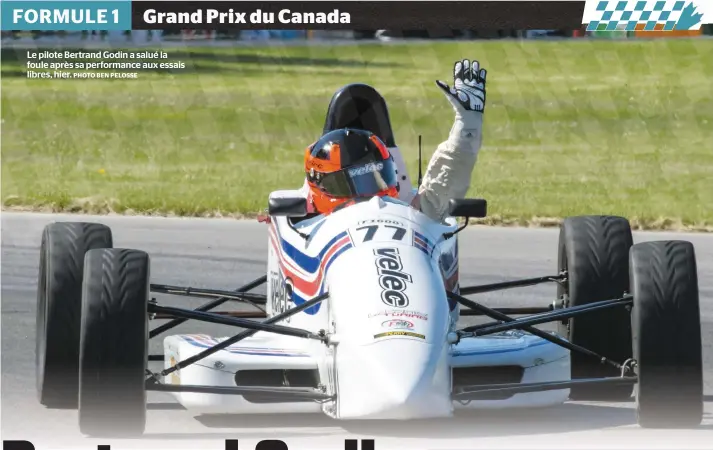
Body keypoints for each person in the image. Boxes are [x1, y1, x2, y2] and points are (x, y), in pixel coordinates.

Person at [301, 59, 487, 223]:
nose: (369, 196)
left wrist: (468, 122)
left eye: (374, 180)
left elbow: (445, 183)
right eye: (348, 185)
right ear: (320, 183)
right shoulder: (306, 223)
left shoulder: (408, 214)